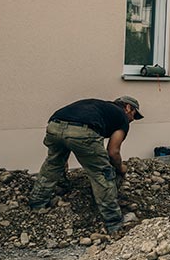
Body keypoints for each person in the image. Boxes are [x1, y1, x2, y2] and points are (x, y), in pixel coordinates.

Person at [28, 96, 144, 234]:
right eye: (134, 115)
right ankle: (114, 223)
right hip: (82, 131)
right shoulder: (122, 117)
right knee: (101, 173)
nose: (132, 119)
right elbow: (113, 152)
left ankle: (37, 204)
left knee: (53, 164)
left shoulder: (100, 107)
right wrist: (120, 168)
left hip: (54, 125)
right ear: (128, 107)